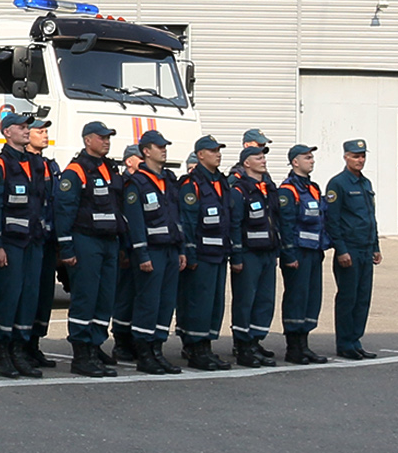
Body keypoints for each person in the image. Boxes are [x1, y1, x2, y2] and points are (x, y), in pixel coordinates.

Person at [0, 108, 59, 372]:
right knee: (8, 297)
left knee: (29, 297)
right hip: (11, 244)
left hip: (34, 242)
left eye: (28, 126)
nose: (27, 130)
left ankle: (20, 350)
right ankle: (2, 354)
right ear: (7, 132)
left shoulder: (37, 164)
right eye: (21, 126)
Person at [50, 120, 123, 379]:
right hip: (86, 241)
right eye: (101, 137)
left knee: (105, 298)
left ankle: (95, 345)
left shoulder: (110, 168)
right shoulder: (76, 171)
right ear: (87, 140)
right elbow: (64, 211)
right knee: (86, 297)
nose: (106, 141)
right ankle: (81, 353)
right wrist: (66, 247)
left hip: (109, 242)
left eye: (108, 137)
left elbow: (118, 208)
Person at [118, 129, 185, 373]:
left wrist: (181, 249)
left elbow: (176, 217)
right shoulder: (137, 183)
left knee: (166, 302)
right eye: (159, 146)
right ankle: (144, 352)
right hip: (151, 253)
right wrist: (142, 255)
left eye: (165, 146)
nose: (164, 149)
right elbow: (135, 224)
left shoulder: (168, 180)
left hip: (169, 250)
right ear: (146, 152)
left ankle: (158, 349)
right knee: (148, 301)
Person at [175, 136, 235, 370]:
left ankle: (206, 346)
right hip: (201, 254)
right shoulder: (192, 184)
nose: (218, 154)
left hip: (219, 253)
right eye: (212, 151)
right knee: (197, 302)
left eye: (219, 150)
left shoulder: (221, 181)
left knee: (214, 304)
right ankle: (195, 348)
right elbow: (188, 222)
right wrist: (189, 253)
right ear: (200, 155)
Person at [226, 142, 282, 367]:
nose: (263, 161)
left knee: (265, 301)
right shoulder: (239, 190)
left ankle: (255, 341)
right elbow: (235, 224)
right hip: (249, 254)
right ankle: (243, 345)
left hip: (267, 253)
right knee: (245, 301)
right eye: (258, 157)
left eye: (264, 157)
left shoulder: (267, 188)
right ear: (246, 163)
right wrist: (237, 256)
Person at [325, 139, 382, 360]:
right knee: (348, 297)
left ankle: (356, 340)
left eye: (362, 156)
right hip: (349, 249)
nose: (360, 160)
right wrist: (341, 250)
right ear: (345, 157)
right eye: (355, 156)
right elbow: (333, 220)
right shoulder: (338, 184)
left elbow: (370, 218)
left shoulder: (365, 183)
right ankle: (344, 343)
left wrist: (376, 246)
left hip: (366, 248)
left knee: (362, 298)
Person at [276, 143, 330, 364]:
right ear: (295, 162)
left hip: (314, 253)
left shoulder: (313, 188)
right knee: (296, 299)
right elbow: (285, 226)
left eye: (312, 157)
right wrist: (289, 255)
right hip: (298, 253)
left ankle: (304, 344)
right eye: (307, 157)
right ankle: (293, 347)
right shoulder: (288, 190)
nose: (312, 160)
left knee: (311, 299)